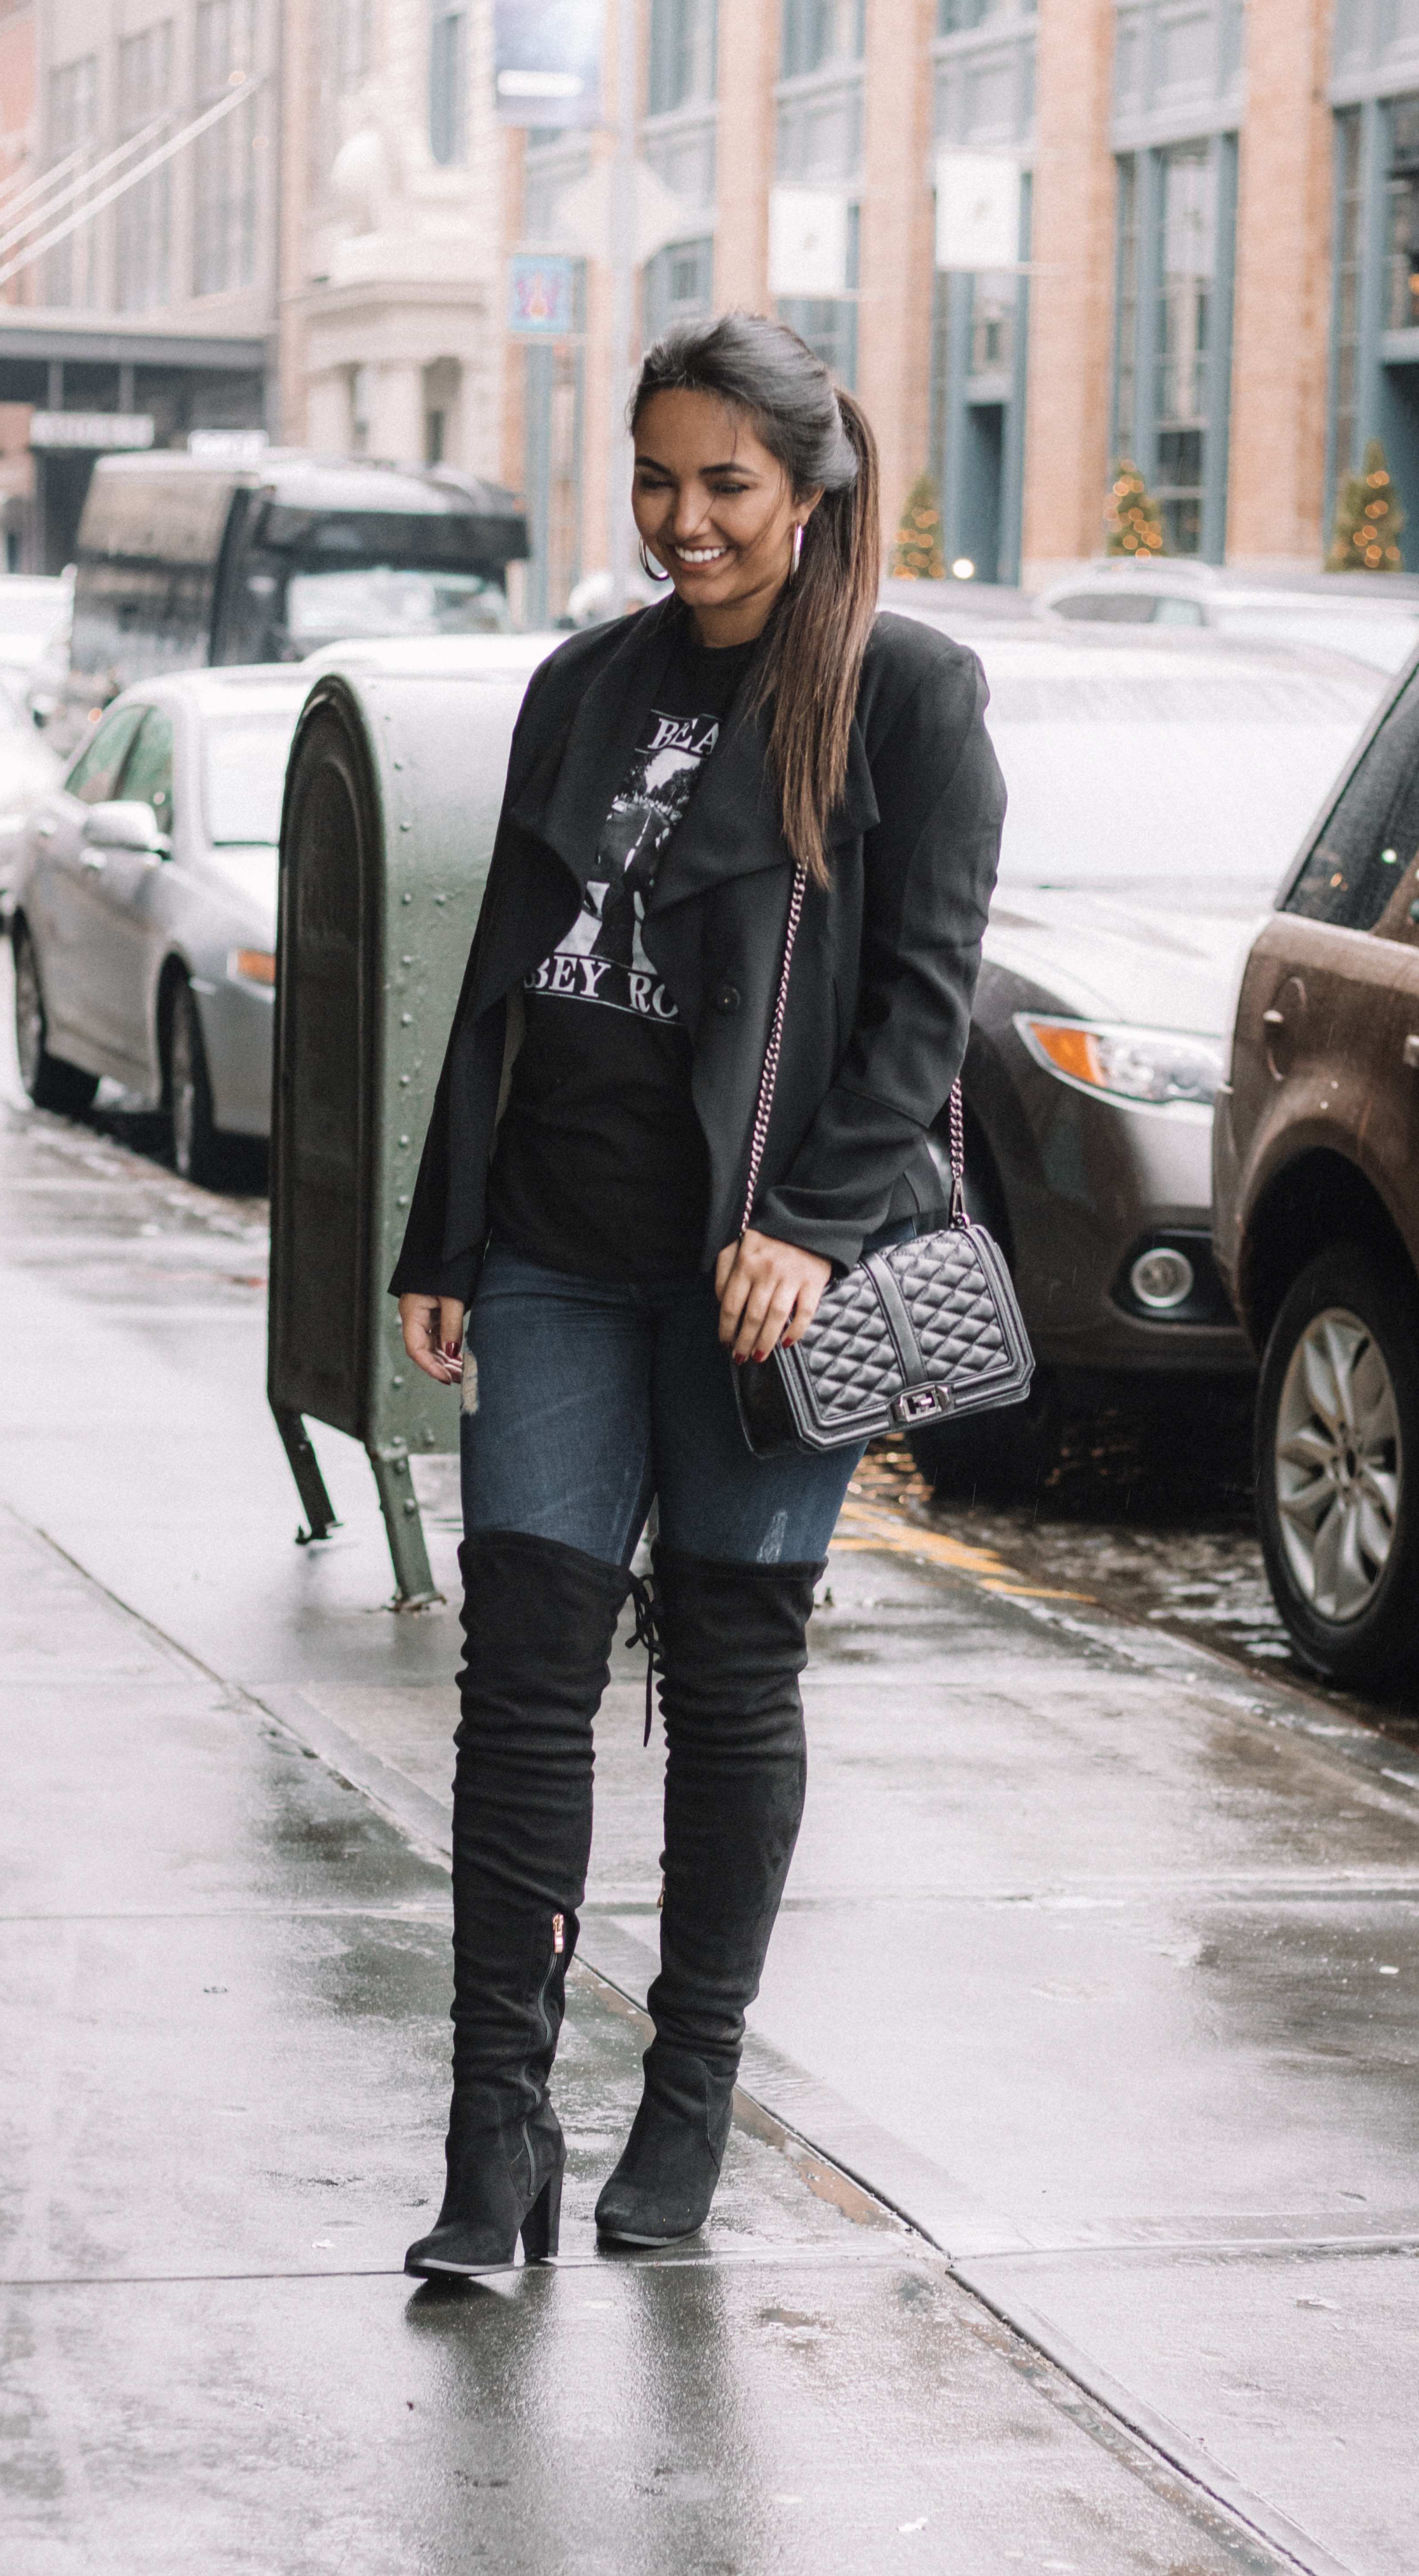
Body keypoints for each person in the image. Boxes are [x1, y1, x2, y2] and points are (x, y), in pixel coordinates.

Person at [393, 311, 1005, 2275]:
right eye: (655, 481)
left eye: (725, 484)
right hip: (557, 1249)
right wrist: (442, 1238)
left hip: (762, 1280)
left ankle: (689, 2093)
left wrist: (811, 1226)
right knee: (523, 1678)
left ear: (808, 488)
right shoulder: (583, 685)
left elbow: (923, 1004)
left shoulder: (905, 694)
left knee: (733, 1680)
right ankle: (494, 2128)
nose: (685, 520)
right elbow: (502, 979)